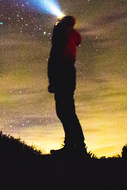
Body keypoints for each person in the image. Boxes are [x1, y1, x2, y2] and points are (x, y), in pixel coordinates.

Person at [47, 15, 86, 156]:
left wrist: (53, 80)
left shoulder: (62, 34)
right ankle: (74, 145)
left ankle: (76, 147)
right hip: (67, 74)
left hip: (62, 74)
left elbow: (56, 57)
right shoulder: (70, 35)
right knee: (67, 112)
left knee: (65, 112)